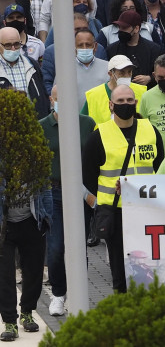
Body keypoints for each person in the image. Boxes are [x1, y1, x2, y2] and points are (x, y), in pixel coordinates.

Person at [82, 85, 165, 293]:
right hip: (115, 211)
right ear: (111, 105)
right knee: (119, 269)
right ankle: (123, 310)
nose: (125, 105)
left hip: (147, 209)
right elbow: (88, 175)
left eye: (130, 100)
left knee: (148, 265)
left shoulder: (150, 130)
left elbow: (160, 168)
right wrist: (105, 195)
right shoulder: (99, 135)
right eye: (120, 101)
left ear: (136, 103)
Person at [40, 87, 96, 318]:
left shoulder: (87, 124)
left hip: (80, 193)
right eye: (58, 98)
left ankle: (77, 293)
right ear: (52, 100)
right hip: (53, 193)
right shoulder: (42, 126)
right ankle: (59, 294)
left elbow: (93, 157)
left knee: (78, 247)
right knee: (55, 249)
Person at [0, 135, 51, 340]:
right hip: (5, 227)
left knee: (34, 272)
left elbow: (45, 189)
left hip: (32, 222)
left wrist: (47, 219)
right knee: (5, 276)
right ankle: (10, 322)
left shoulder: (35, 162)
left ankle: (27, 313)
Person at [81, 55, 148, 124]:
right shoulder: (93, 96)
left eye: (129, 72)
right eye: (122, 73)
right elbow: (82, 123)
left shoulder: (142, 92)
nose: (127, 76)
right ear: (110, 74)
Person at [0, 26, 49, 117]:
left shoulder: (32, 65)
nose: (13, 49)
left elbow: (43, 96)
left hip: (35, 124)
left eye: (16, 44)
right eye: (8, 45)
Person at [106, 10, 164, 85]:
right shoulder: (112, 49)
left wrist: (150, 78)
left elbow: (163, 73)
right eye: (120, 27)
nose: (121, 31)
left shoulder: (154, 50)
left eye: (125, 28)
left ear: (136, 28)